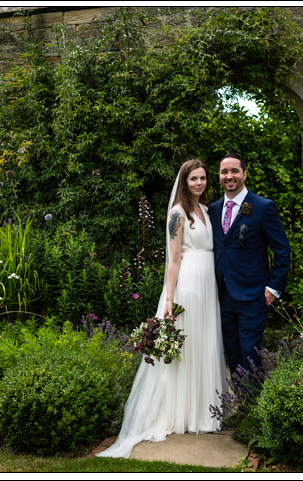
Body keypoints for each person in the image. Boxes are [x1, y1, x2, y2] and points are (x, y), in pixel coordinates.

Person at [97, 159, 228, 459]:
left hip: (209, 286)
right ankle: (181, 414)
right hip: (190, 285)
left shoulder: (206, 212)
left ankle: (205, 412)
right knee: (189, 343)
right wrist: (169, 299)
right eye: (194, 178)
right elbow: (174, 259)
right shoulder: (177, 214)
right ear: (184, 181)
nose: (199, 183)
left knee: (205, 345)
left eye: (203, 178)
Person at [208, 153, 291, 377]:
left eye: (235, 171)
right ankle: (242, 403)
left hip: (254, 295)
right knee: (232, 352)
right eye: (224, 172)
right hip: (222, 294)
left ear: (244, 174)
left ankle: (253, 407)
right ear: (219, 176)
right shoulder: (213, 210)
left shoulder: (263, 207)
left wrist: (274, 287)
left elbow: (282, 249)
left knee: (250, 354)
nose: (229, 176)